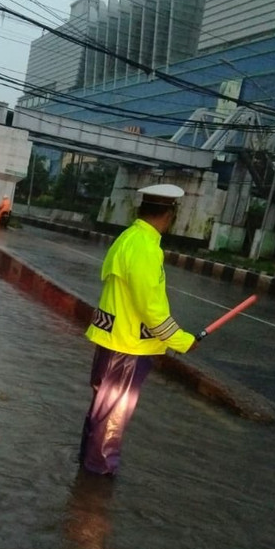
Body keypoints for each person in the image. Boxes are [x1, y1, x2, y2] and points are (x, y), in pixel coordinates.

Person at [79, 184, 197, 477]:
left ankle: (88, 463)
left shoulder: (127, 238)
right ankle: (100, 473)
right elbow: (152, 308)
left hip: (111, 338)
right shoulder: (145, 248)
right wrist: (181, 341)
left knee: (101, 409)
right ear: (170, 214)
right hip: (129, 347)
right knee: (115, 413)